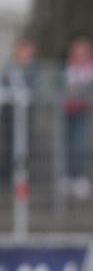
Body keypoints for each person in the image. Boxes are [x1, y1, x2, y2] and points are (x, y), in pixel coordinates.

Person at [62, 36, 93, 200]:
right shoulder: (67, 64)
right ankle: (68, 176)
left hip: (82, 110)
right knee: (67, 143)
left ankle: (80, 176)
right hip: (68, 109)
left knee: (79, 143)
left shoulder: (91, 65)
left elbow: (89, 84)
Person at [0, 37, 37, 189]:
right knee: (10, 143)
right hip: (10, 114)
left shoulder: (33, 68)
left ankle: (21, 174)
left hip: (25, 114)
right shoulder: (9, 67)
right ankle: (9, 174)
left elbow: (35, 88)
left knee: (25, 143)